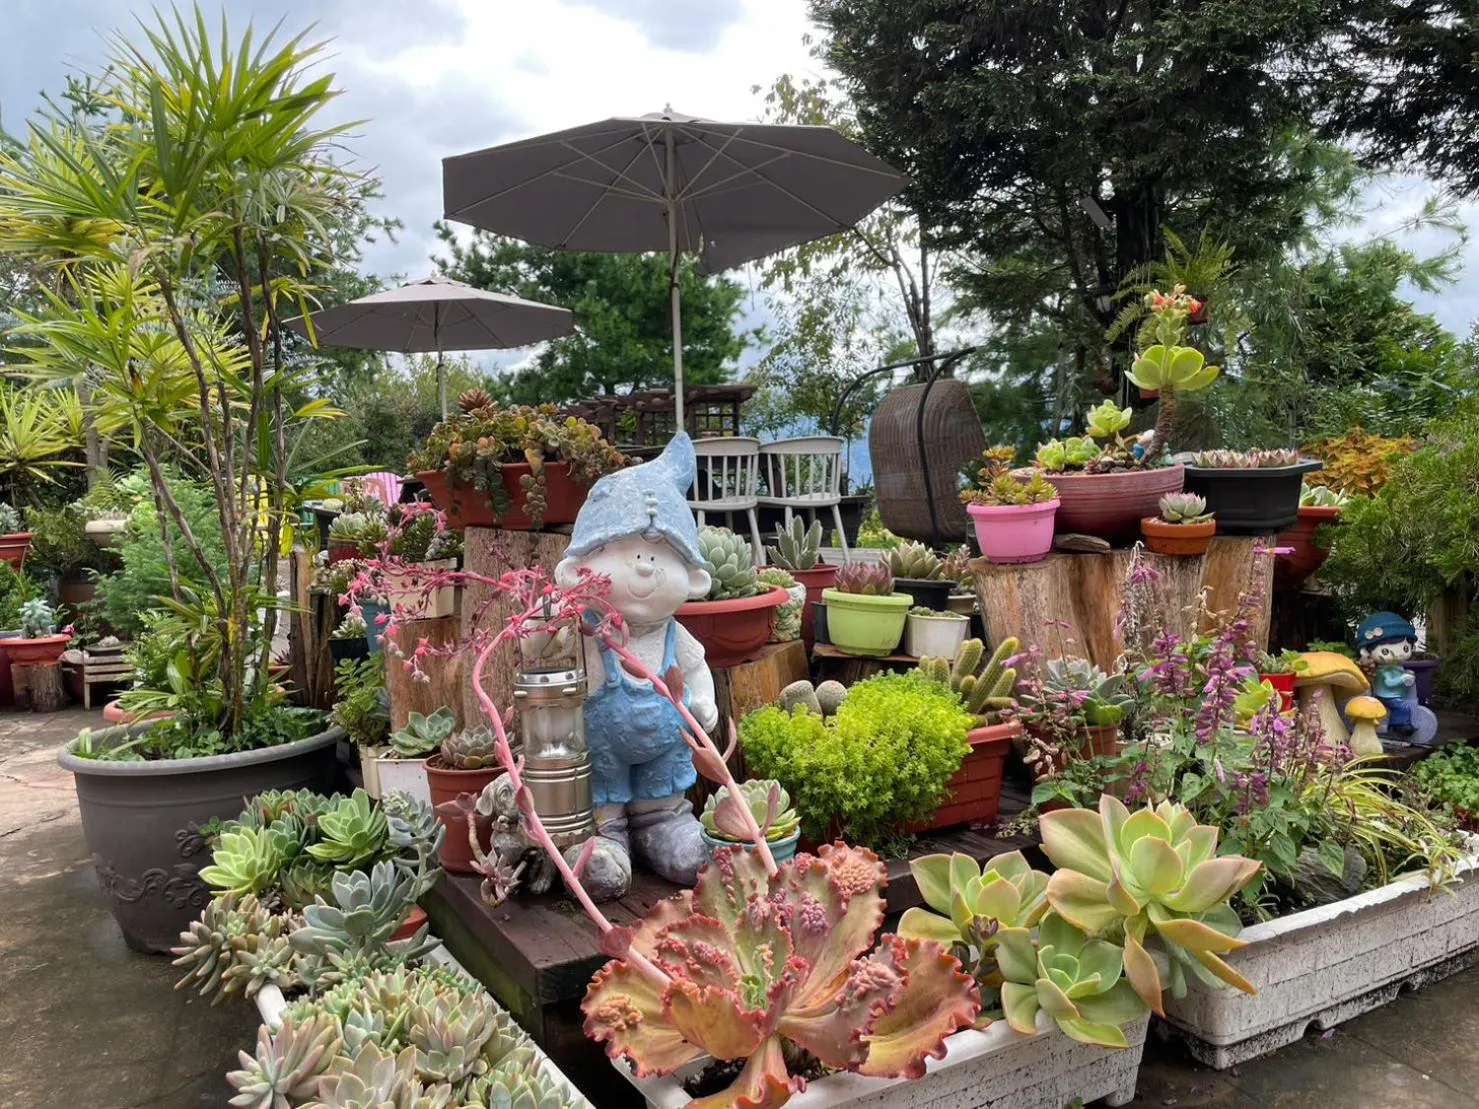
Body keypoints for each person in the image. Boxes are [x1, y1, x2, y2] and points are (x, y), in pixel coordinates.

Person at [553, 432, 716, 900]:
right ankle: (608, 843)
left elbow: (698, 671)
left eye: (661, 556)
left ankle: (664, 830)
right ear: (577, 568)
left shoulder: (673, 636)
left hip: (663, 754)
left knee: (664, 801)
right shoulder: (588, 629)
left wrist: (703, 703)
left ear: (694, 579)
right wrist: (547, 626)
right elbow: (545, 651)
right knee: (604, 802)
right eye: (627, 553)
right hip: (601, 756)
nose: (645, 568)